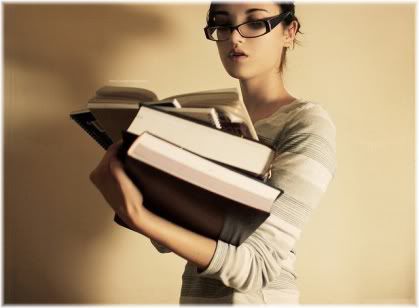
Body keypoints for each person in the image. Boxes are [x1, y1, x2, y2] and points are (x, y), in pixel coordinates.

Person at [89, 1, 337, 304]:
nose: (235, 37)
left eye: (256, 22)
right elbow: (171, 241)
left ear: (289, 31)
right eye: (223, 23)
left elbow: (258, 266)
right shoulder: (215, 123)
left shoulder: (306, 123)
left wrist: (137, 214)